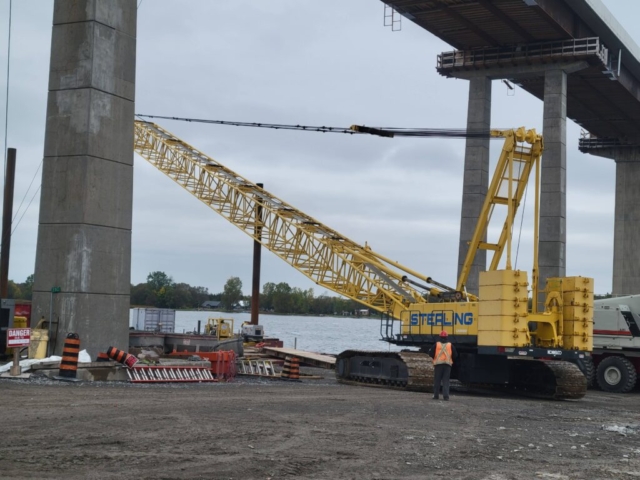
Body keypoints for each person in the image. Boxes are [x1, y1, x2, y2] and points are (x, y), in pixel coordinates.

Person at [428, 330, 458, 401]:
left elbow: (430, 353)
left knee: (437, 380)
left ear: (440, 337)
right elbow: (455, 355)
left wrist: (435, 358)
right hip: (447, 365)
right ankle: (446, 396)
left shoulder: (436, 344)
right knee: (446, 381)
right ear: (447, 337)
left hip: (438, 364)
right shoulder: (450, 345)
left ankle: (436, 395)